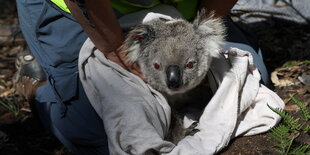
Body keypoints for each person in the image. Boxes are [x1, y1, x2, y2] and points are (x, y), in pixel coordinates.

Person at [15, 0, 272, 154]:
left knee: (249, 85)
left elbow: (206, 31)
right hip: (81, 11)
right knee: (103, 137)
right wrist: (116, 48)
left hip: (183, 9)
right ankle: (38, 85)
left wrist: (196, 34)